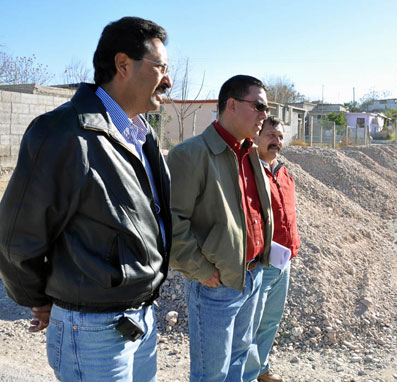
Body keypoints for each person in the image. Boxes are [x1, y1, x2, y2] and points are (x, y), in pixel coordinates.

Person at [0, 16, 172, 382]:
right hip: (93, 330)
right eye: (161, 68)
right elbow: (17, 236)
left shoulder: (141, 136)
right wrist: (42, 298)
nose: (169, 80)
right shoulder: (64, 132)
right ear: (123, 64)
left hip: (141, 319)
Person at [168, 74, 273, 382]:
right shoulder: (191, 154)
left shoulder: (250, 152)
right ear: (231, 104)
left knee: (239, 365)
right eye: (259, 106)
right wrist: (201, 271)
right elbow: (173, 222)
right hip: (215, 286)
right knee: (212, 374)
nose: (264, 115)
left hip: (251, 276)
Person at [244, 116, 301, 382]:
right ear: (256, 136)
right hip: (261, 262)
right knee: (251, 324)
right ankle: (247, 373)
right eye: (270, 135)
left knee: (270, 321)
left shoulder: (284, 172)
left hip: (283, 262)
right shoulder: (249, 171)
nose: (276, 141)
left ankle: (261, 368)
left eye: (279, 137)